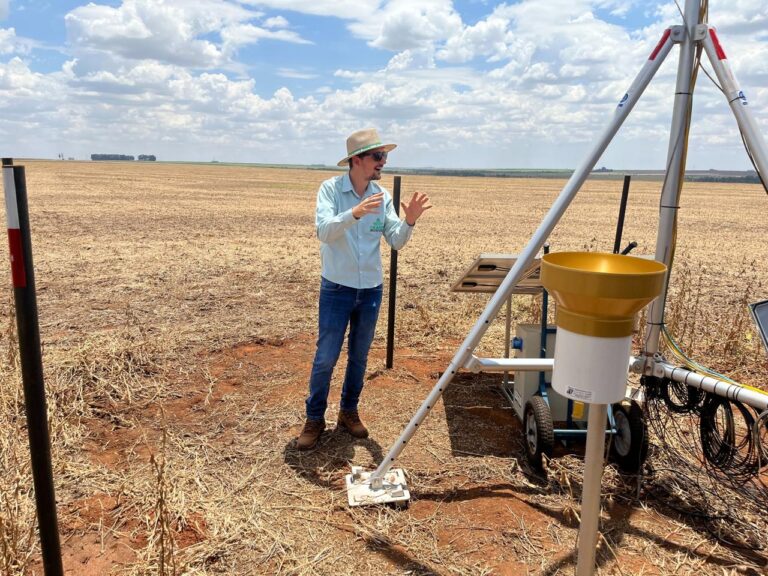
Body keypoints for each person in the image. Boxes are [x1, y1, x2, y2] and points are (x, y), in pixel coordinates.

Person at [297, 128, 432, 450]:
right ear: (356, 160)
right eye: (377, 156)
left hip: (371, 289)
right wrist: (355, 213)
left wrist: (409, 221)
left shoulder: (382, 197)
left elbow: (395, 240)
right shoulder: (330, 189)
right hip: (337, 289)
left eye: (384, 156)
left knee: (358, 357)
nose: (383, 162)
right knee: (325, 358)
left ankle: (348, 412)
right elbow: (324, 232)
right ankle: (314, 419)